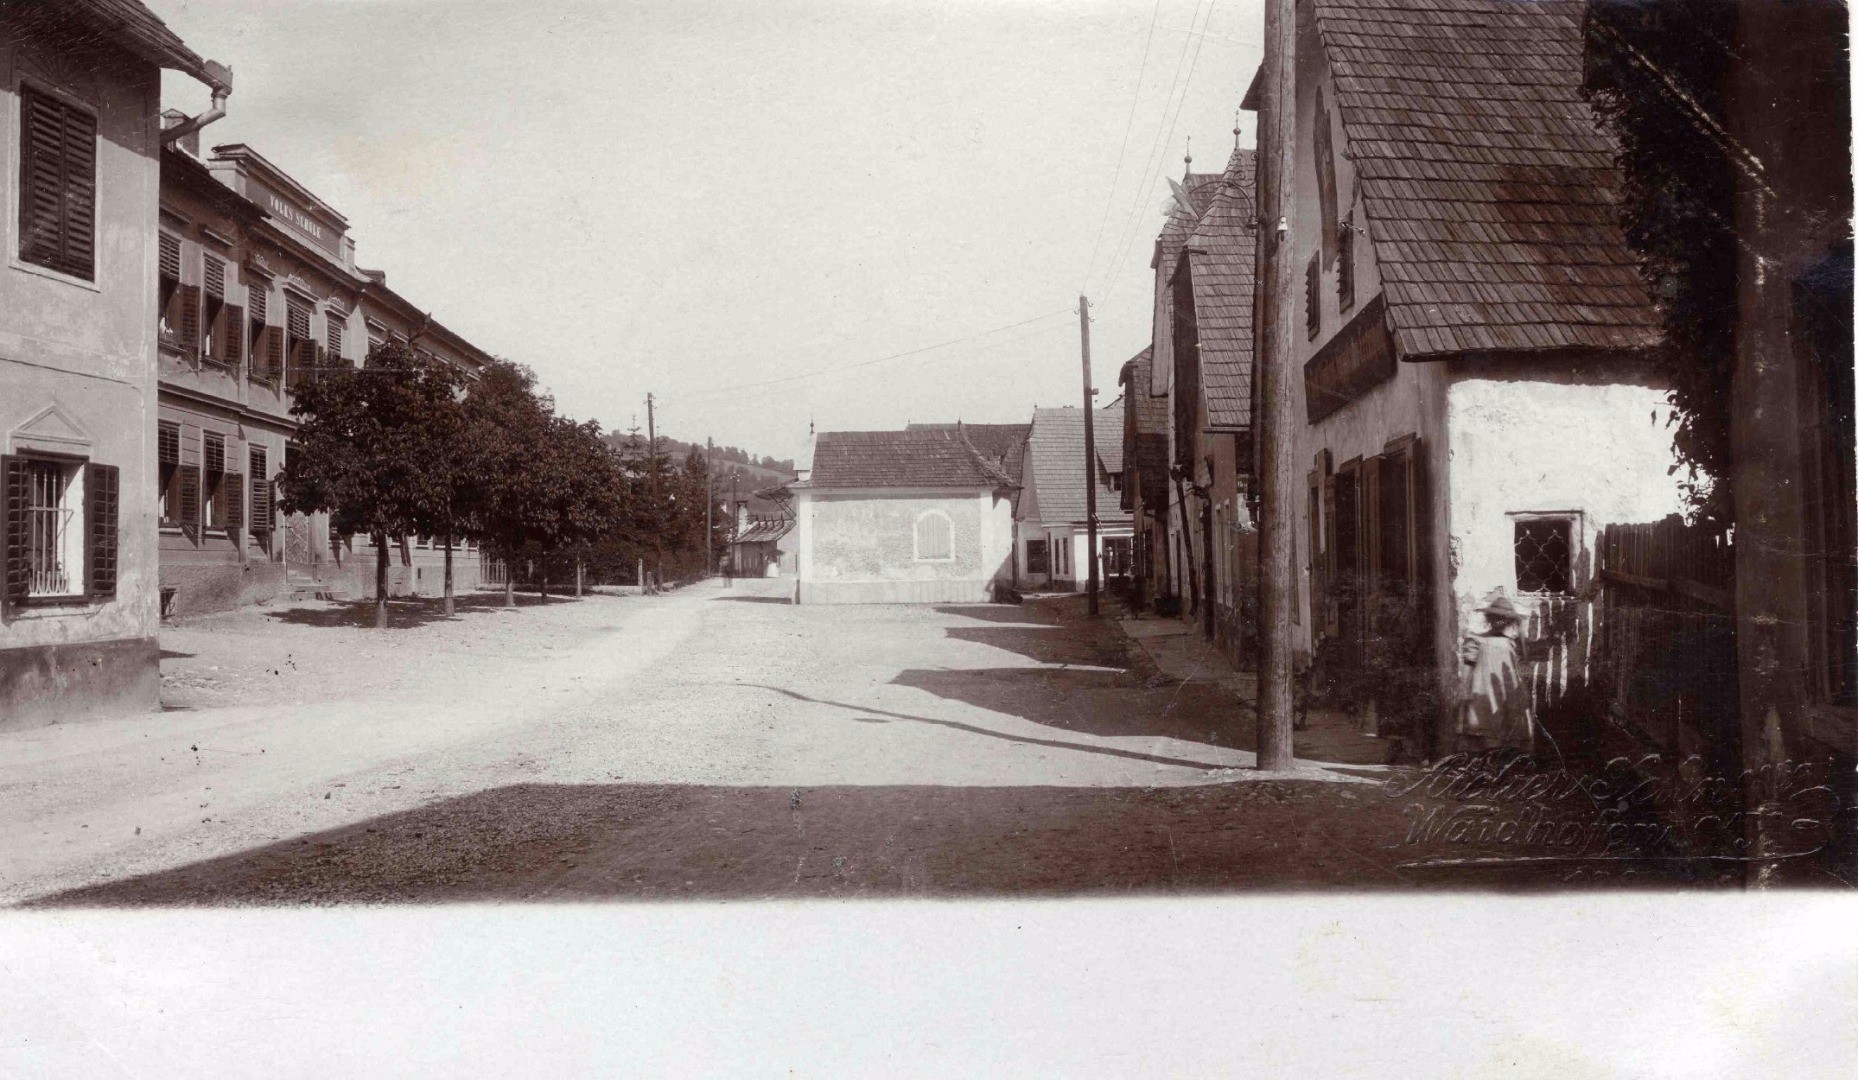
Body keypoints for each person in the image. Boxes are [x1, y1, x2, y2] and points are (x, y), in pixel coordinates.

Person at [1455, 591, 1533, 754]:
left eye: (1504, 618)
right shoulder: (1477, 640)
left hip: (1508, 693)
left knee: (1509, 725)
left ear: (1509, 621)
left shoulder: (1513, 643)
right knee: (1485, 725)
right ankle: (1486, 761)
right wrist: (1463, 688)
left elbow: (1520, 668)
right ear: (1489, 619)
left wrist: (1524, 689)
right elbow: (1469, 665)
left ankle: (1506, 764)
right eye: (1495, 617)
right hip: (1483, 690)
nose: (1499, 620)